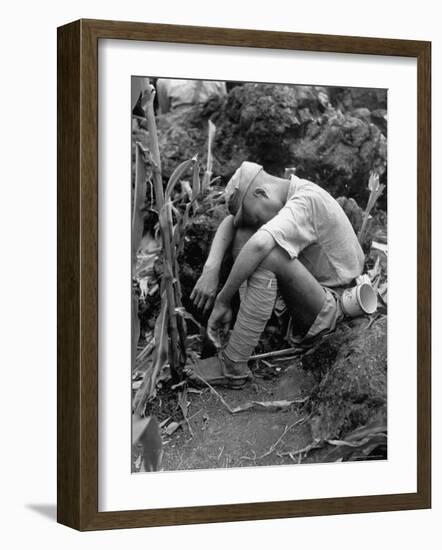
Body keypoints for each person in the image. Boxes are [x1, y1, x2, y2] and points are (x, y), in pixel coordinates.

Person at [189, 161, 365, 387]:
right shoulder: (286, 193)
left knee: (266, 252)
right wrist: (210, 269)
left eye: (254, 216)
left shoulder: (305, 200)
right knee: (246, 234)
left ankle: (233, 365)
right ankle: (253, 335)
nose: (258, 223)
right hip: (305, 302)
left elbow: (261, 245)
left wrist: (222, 301)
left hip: (334, 309)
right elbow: (230, 223)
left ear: (261, 192)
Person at [156, 79, 227, 114]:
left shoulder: (163, 81)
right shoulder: (164, 81)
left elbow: (164, 113)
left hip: (177, 132)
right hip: (206, 133)